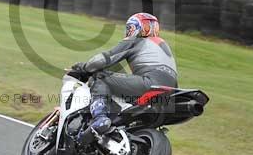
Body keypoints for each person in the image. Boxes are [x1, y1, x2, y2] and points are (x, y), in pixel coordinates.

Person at [71, 13, 178, 143]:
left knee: (100, 76)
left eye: (132, 28)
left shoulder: (137, 41)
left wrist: (84, 67)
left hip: (150, 83)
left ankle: (99, 118)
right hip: (171, 92)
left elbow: (104, 60)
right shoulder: (162, 45)